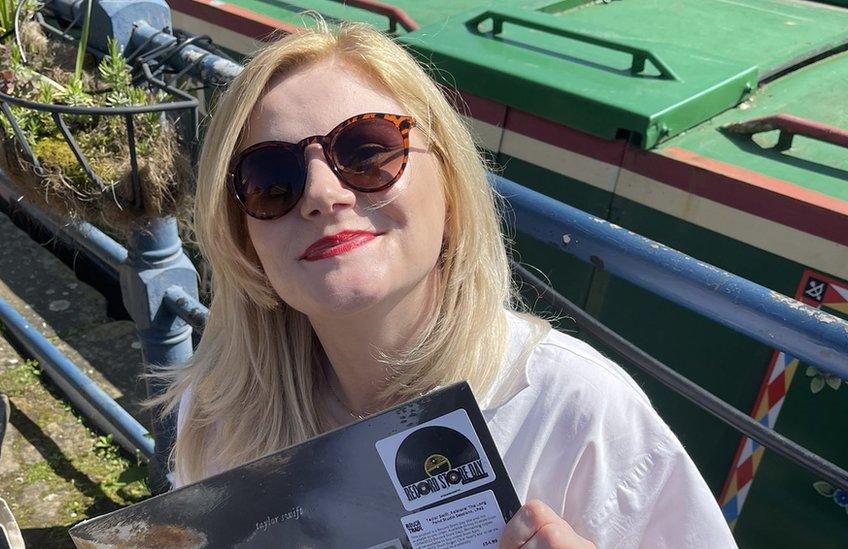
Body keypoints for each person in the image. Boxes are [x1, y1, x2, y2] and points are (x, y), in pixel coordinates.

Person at [158, 19, 737, 548]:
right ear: (243, 239)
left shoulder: (578, 416)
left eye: (367, 151)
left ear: (451, 182)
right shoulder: (217, 415)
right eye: (270, 179)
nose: (321, 194)